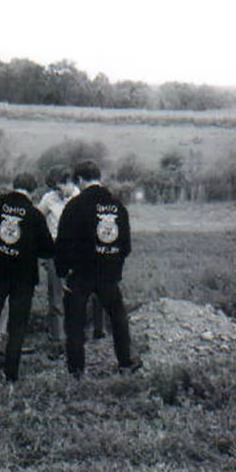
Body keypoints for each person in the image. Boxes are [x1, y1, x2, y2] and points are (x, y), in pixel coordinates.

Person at [55, 159, 141, 377]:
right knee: (118, 317)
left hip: (81, 275)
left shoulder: (74, 206)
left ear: (80, 180)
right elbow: (126, 245)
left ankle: (76, 372)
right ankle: (125, 363)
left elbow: (63, 243)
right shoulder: (117, 205)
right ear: (99, 177)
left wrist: (63, 273)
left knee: (75, 324)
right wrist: (114, 265)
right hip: (108, 274)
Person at [0, 173, 55, 383]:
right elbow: (47, 250)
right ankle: (11, 375)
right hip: (23, 278)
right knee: (17, 328)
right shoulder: (35, 215)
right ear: (33, 191)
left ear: (13, 186)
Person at [37, 165, 79, 350]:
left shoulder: (79, 197)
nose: (58, 191)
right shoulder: (48, 199)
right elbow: (36, 220)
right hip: (54, 249)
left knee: (76, 292)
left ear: (68, 182)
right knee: (55, 297)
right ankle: (57, 339)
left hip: (75, 250)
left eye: (60, 186)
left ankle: (76, 336)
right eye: (55, 188)